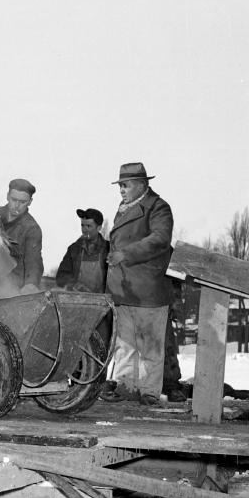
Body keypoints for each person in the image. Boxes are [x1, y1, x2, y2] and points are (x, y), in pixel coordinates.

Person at [101, 162, 174, 407]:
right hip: (124, 292)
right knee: (125, 345)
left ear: (143, 185)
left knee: (150, 347)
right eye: (120, 185)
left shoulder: (158, 208)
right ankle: (125, 386)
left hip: (148, 293)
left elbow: (160, 239)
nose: (121, 190)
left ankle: (149, 392)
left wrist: (126, 254)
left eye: (126, 185)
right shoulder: (125, 208)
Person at [0, 178, 43, 289]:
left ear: (30, 202)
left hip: (12, 286)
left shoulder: (32, 228)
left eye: (22, 202)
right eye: (13, 199)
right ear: (7, 196)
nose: (16, 205)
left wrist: (30, 284)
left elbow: (34, 261)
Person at [56, 208, 109, 293]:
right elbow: (61, 276)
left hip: (102, 301)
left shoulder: (109, 249)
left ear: (99, 228)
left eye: (88, 226)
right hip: (78, 299)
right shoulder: (73, 249)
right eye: (82, 225)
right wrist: (73, 285)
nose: (84, 230)